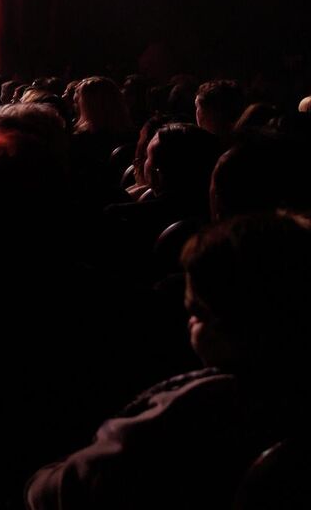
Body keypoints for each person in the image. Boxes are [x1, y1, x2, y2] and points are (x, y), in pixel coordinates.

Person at [26, 211, 311, 509]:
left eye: (198, 312)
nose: (189, 322)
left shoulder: (188, 413)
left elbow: (61, 491)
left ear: (237, 324)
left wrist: (39, 479)